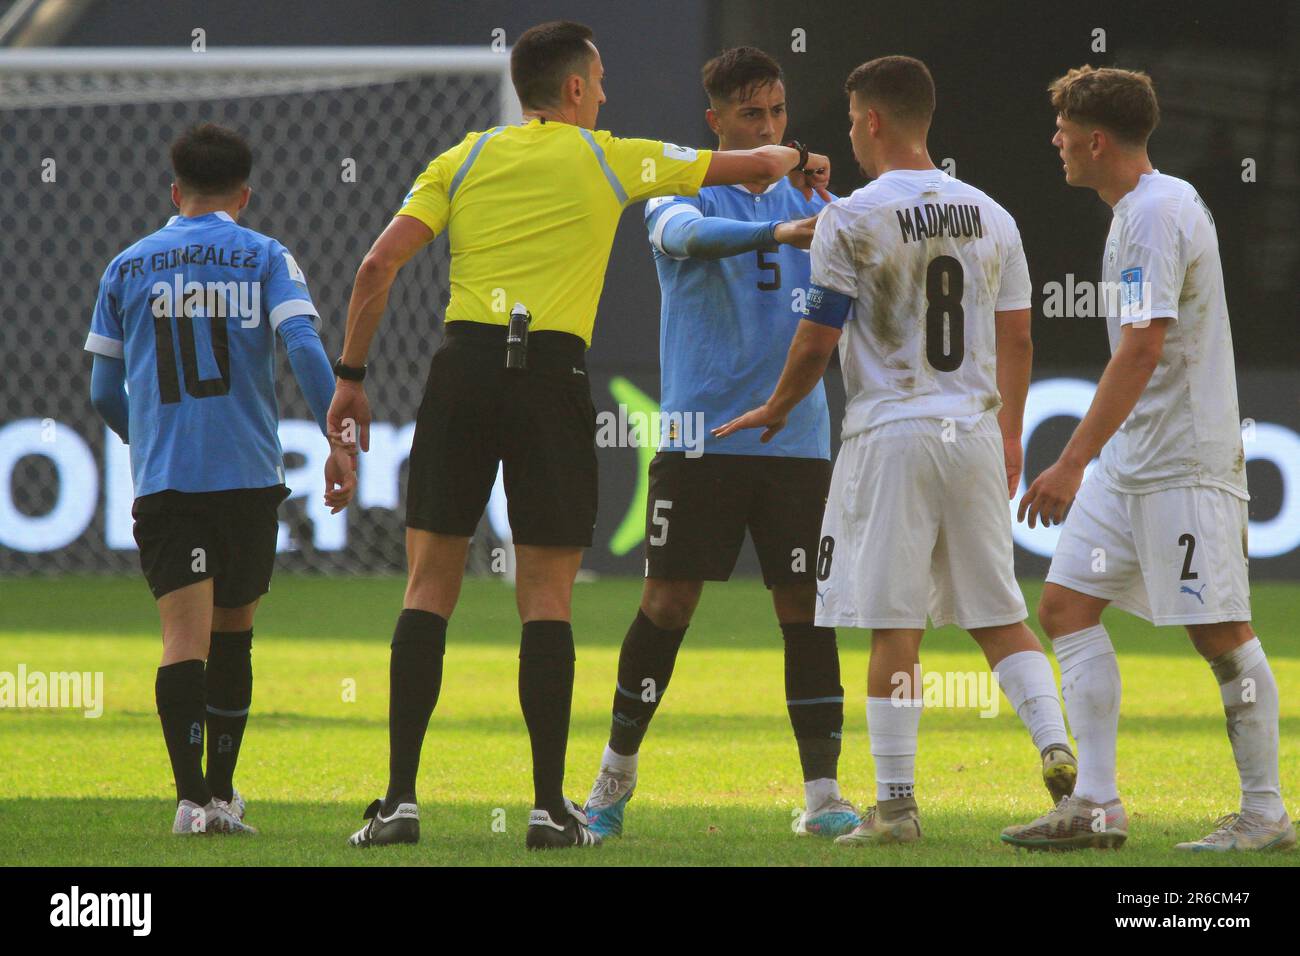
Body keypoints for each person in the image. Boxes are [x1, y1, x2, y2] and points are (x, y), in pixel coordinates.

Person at [331, 20, 828, 851]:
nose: (604, 94)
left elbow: (377, 266)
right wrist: (797, 155)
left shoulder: (462, 158)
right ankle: (547, 808)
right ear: (572, 90)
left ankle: (399, 802)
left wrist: (350, 377)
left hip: (462, 368)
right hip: (552, 375)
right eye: (597, 82)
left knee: (426, 591)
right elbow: (759, 166)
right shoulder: (609, 154)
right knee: (548, 599)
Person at [716, 56, 1075, 847]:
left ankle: (898, 806)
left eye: (850, 120)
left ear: (872, 120)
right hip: (975, 431)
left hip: (892, 430)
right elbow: (1018, 334)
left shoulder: (855, 219)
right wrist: (1011, 435)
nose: (847, 132)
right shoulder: (993, 214)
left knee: (894, 625)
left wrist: (777, 406)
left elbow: (817, 338)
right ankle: (1055, 745)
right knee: (1000, 615)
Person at [1002, 66, 1292, 852]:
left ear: (1097, 139)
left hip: (1184, 463)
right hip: (1134, 465)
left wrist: (1067, 463)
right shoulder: (1140, 210)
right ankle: (1096, 804)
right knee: (1064, 607)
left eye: (1063, 129)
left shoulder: (1156, 215)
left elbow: (1141, 350)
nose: (1055, 140)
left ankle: (1265, 813)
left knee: (1221, 631)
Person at [580, 45, 860, 841]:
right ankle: (611, 784)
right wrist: (783, 226)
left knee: (805, 610)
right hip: (698, 439)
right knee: (667, 603)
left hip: (796, 441)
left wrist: (820, 213)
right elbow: (690, 240)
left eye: (776, 113)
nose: (768, 127)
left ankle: (824, 795)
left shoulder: (824, 206)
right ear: (716, 124)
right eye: (750, 115)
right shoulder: (676, 196)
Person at [84, 122, 352, 836]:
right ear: (245, 193)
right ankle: (221, 794)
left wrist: (151, 438)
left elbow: (103, 390)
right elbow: (302, 345)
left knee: (184, 641)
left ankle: (193, 800)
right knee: (235, 636)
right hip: (247, 479)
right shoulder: (266, 256)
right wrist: (339, 435)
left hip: (168, 480)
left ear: (175, 190)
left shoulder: (128, 266)